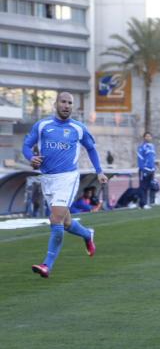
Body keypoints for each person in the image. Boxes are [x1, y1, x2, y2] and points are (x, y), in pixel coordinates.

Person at [22, 91, 108, 278]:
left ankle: (47, 265)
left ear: (73, 106)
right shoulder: (43, 125)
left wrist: (99, 171)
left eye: (70, 102)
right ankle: (87, 234)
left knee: (56, 219)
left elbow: (91, 149)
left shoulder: (78, 128)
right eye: (63, 101)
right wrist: (31, 158)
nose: (66, 105)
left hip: (67, 178)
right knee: (66, 222)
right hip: (47, 179)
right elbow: (26, 146)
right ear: (56, 104)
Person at [137, 131, 156, 209]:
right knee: (142, 187)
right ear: (144, 138)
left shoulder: (152, 146)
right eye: (146, 136)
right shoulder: (142, 147)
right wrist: (143, 168)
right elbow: (140, 158)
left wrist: (153, 168)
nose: (148, 137)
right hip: (144, 170)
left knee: (148, 187)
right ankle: (143, 204)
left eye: (149, 136)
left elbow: (153, 158)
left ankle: (144, 203)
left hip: (151, 170)